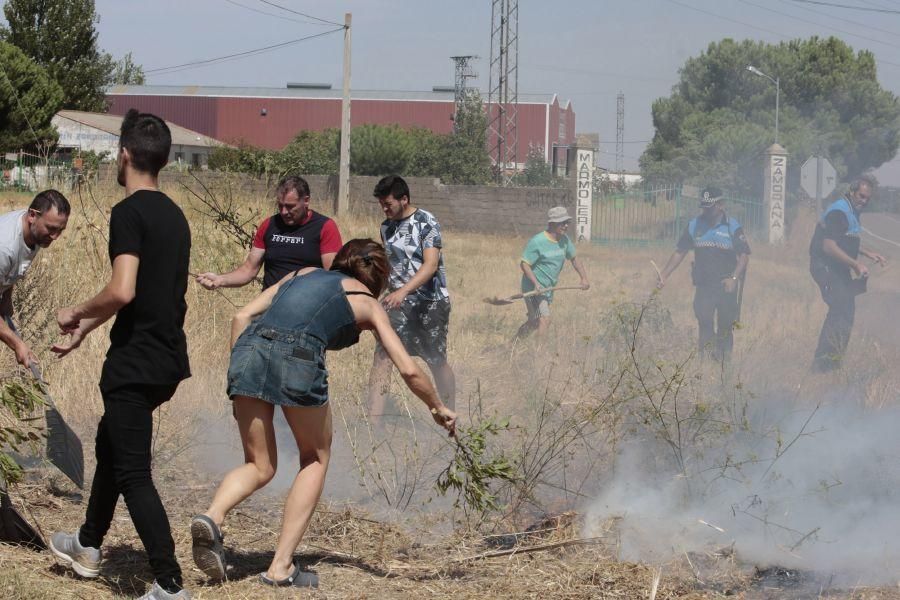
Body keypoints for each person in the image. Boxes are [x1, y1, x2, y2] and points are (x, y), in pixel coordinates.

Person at [189, 239, 456, 587]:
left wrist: (238, 380)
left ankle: (212, 516)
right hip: (298, 358)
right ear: (379, 277)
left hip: (248, 349)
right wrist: (437, 406)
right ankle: (280, 567)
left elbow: (241, 316)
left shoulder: (303, 273)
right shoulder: (367, 303)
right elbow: (408, 369)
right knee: (315, 457)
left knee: (259, 465)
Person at [48, 109, 193, 600]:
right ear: (165, 160)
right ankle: (89, 544)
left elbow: (123, 289)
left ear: (125, 155)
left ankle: (169, 583)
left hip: (135, 363)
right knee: (111, 443)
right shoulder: (174, 215)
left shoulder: (127, 213)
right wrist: (86, 331)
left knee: (133, 472)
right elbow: (149, 294)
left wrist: (75, 311)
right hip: (167, 360)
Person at [367, 175, 456, 416]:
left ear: (404, 199)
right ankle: (372, 426)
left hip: (430, 302)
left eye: (388, 204)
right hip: (397, 305)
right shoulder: (386, 227)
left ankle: (449, 413)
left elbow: (430, 265)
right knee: (383, 355)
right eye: (381, 204)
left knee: (435, 360)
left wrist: (404, 291)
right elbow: (389, 266)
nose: (384, 209)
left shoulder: (426, 221)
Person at [196, 175, 343, 290]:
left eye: (290, 206)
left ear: (306, 201)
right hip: (269, 305)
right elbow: (249, 270)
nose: (284, 212)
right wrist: (220, 280)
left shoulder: (325, 227)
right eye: (280, 206)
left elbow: (332, 278)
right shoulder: (269, 225)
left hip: (306, 307)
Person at [657, 187, 751, 362]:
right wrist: (664, 274)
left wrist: (734, 278)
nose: (706, 211)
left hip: (726, 286)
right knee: (705, 322)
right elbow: (680, 251)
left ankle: (724, 364)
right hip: (704, 286)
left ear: (721, 205)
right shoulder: (694, 225)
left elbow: (744, 256)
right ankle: (706, 362)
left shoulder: (732, 226)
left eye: (711, 207)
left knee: (724, 327)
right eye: (704, 207)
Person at [809, 178, 886, 372]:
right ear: (852, 192)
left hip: (839, 269)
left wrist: (867, 253)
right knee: (840, 309)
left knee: (847, 312)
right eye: (861, 196)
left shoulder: (852, 211)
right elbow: (829, 246)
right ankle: (821, 366)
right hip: (825, 267)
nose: (864, 201)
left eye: (867, 198)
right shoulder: (839, 212)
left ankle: (833, 363)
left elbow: (846, 240)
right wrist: (856, 264)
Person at [0, 189, 69, 366]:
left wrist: (6, 296)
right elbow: (9, 257)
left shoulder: (36, 233)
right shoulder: (4, 246)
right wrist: (17, 344)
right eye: (52, 229)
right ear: (32, 215)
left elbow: (14, 265)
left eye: (60, 230)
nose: (55, 237)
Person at [516, 206, 590, 338]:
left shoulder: (564, 240)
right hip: (534, 288)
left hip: (548, 288)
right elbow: (524, 264)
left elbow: (574, 259)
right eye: (562, 223)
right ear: (552, 223)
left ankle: (512, 345)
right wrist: (536, 283)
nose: (566, 225)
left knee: (534, 323)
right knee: (545, 319)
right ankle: (539, 356)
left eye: (567, 222)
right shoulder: (538, 241)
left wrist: (584, 278)